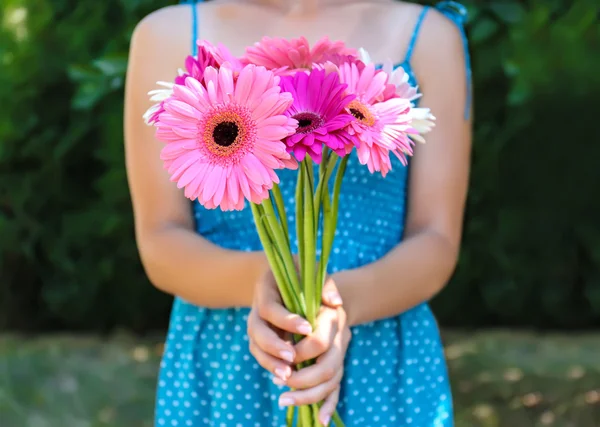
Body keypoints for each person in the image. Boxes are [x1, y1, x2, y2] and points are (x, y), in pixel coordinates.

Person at [124, 0, 472, 425]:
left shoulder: (430, 36)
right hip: (225, 363)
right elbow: (161, 240)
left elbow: (436, 240)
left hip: (380, 351)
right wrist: (269, 282)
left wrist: (339, 305)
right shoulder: (164, 36)